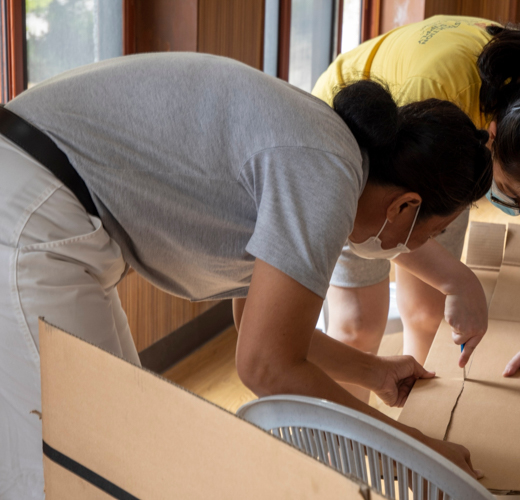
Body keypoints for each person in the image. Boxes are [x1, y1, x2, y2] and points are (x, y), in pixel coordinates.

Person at [0, 52, 492, 498]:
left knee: (126, 435)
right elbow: (265, 367)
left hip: (44, 204)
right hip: (31, 211)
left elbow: (256, 328)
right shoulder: (327, 176)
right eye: (435, 231)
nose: (425, 247)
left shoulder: (329, 157)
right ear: (406, 205)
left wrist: (374, 372)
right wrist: (419, 452)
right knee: (82, 456)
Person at [313, 16, 520, 394]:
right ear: (492, 137)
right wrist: (459, 278)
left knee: (429, 314)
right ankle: (336, 450)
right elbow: (373, 227)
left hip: (446, 158)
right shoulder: (436, 90)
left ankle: (415, 426)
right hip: (361, 141)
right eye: (513, 195)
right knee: (358, 325)